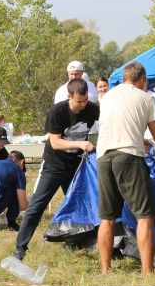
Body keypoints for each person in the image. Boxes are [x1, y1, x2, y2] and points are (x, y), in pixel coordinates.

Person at [11, 78, 100, 261]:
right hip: (54, 165)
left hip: (77, 165)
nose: (83, 105)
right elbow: (55, 142)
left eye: (85, 100)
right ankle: (20, 248)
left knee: (81, 205)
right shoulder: (57, 111)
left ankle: (79, 241)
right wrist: (81, 143)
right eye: (78, 101)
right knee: (36, 206)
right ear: (69, 97)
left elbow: (107, 126)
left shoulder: (92, 109)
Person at [95, 62, 155, 275]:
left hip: (104, 157)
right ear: (142, 80)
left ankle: (105, 270)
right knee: (145, 216)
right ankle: (147, 273)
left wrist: (138, 138)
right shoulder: (146, 98)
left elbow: (118, 125)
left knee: (107, 217)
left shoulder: (106, 96)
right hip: (129, 157)